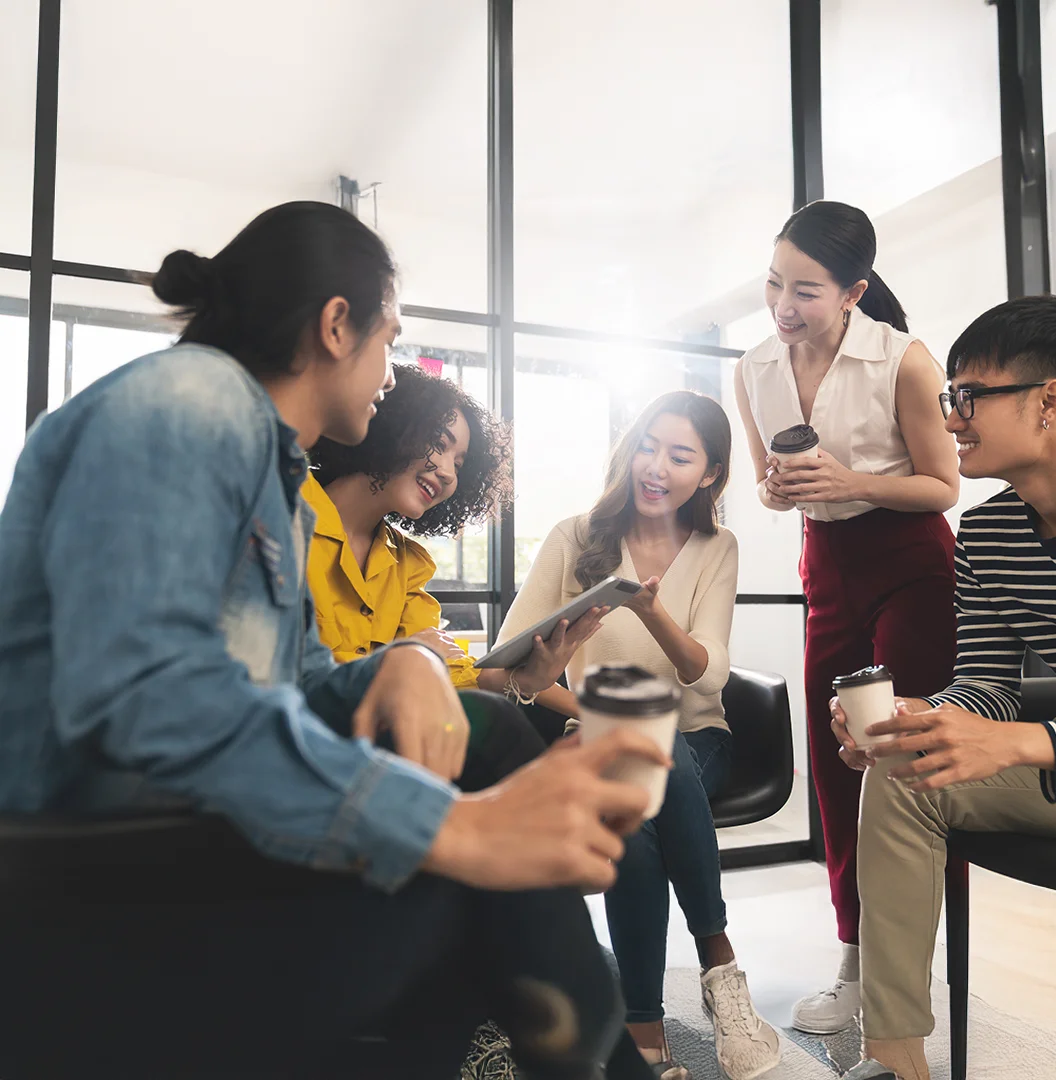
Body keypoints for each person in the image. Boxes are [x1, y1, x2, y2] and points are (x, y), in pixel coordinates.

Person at [0, 200, 668, 1080]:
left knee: (490, 736)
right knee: (460, 880)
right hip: (97, 878)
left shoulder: (266, 468)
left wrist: (393, 667)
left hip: (175, 839)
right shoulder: (190, 399)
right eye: (390, 337)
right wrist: (453, 830)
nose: (394, 371)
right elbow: (143, 693)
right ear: (335, 323)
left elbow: (293, 686)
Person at [497, 391, 781, 1080]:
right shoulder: (576, 536)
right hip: (599, 737)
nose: (656, 466)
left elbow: (707, 676)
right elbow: (506, 667)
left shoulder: (718, 547)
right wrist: (588, 709)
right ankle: (714, 971)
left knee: (656, 753)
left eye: (680, 456)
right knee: (638, 778)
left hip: (700, 741)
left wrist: (650, 611)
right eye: (648, 446)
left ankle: (651, 1022)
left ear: (709, 474)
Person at [831, 295, 1056, 1080]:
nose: (952, 418)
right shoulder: (988, 533)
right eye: (951, 398)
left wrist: (1022, 742)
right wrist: (922, 718)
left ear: (1049, 401)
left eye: (970, 397)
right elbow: (985, 685)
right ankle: (896, 1060)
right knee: (908, 772)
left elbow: (1013, 730)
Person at [732, 200, 960, 1034]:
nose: (783, 306)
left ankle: (912, 971)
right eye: (773, 283)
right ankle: (857, 961)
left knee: (908, 756)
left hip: (911, 564)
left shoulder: (904, 362)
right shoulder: (754, 367)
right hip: (825, 567)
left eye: (806, 290)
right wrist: (781, 488)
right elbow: (764, 481)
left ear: (854, 290)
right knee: (838, 764)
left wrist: (848, 481)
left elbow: (944, 486)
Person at [304, 362, 599, 714]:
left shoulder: (406, 565)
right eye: (438, 444)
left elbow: (453, 673)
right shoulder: (281, 508)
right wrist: (400, 660)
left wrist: (526, 680)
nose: (446, 472)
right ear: (393, 428)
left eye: (458, 465)